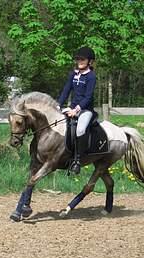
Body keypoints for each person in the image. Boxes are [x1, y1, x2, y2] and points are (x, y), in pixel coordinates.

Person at [57, 46, 97, 174]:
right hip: (72, 107)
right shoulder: (73, 74)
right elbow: (66, 90)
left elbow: (88, 97)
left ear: (90, 61)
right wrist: (58, 105)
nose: (79, 61)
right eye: (78, 59)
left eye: (83, 59)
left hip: (85, 109)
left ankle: (78, 160)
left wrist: (76, 110)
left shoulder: (91, 76)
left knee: (80, 129)